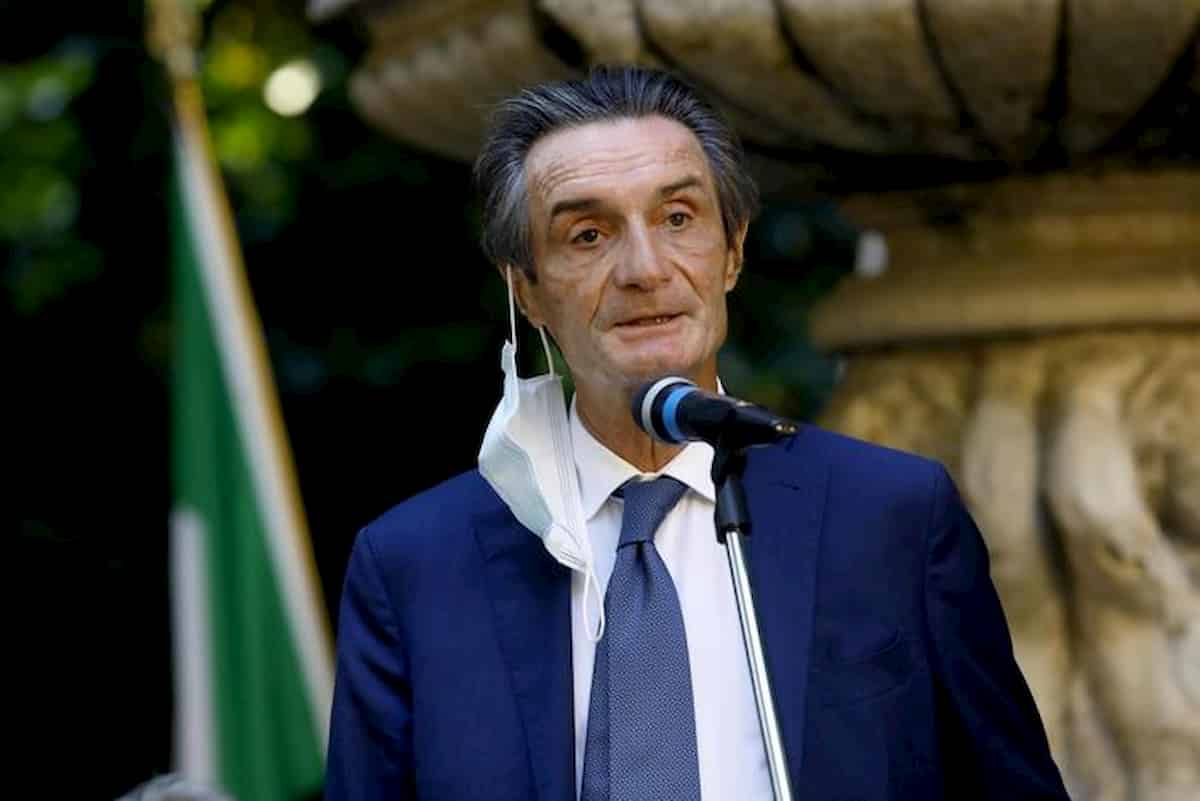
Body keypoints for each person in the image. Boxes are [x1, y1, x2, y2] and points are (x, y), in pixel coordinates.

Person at [324, 65, 1070, 801]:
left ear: (733, 251)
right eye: (588, 234)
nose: (645, 269)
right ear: (527, 290)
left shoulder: (891, 515)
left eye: (678, 219)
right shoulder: (414, 567)